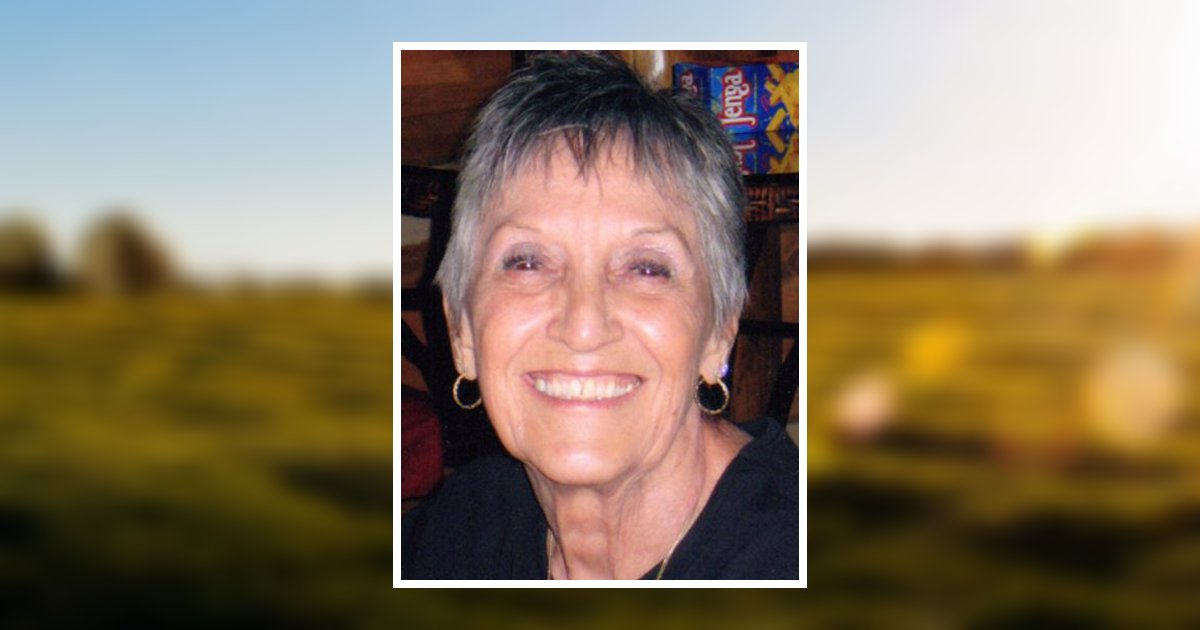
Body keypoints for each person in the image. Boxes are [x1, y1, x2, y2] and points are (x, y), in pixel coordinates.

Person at [401, 52, 798, 580]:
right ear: (461, 330)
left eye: (646, 268)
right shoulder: (463, 527)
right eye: (527, 262)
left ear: (720, 331)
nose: (584, 326)